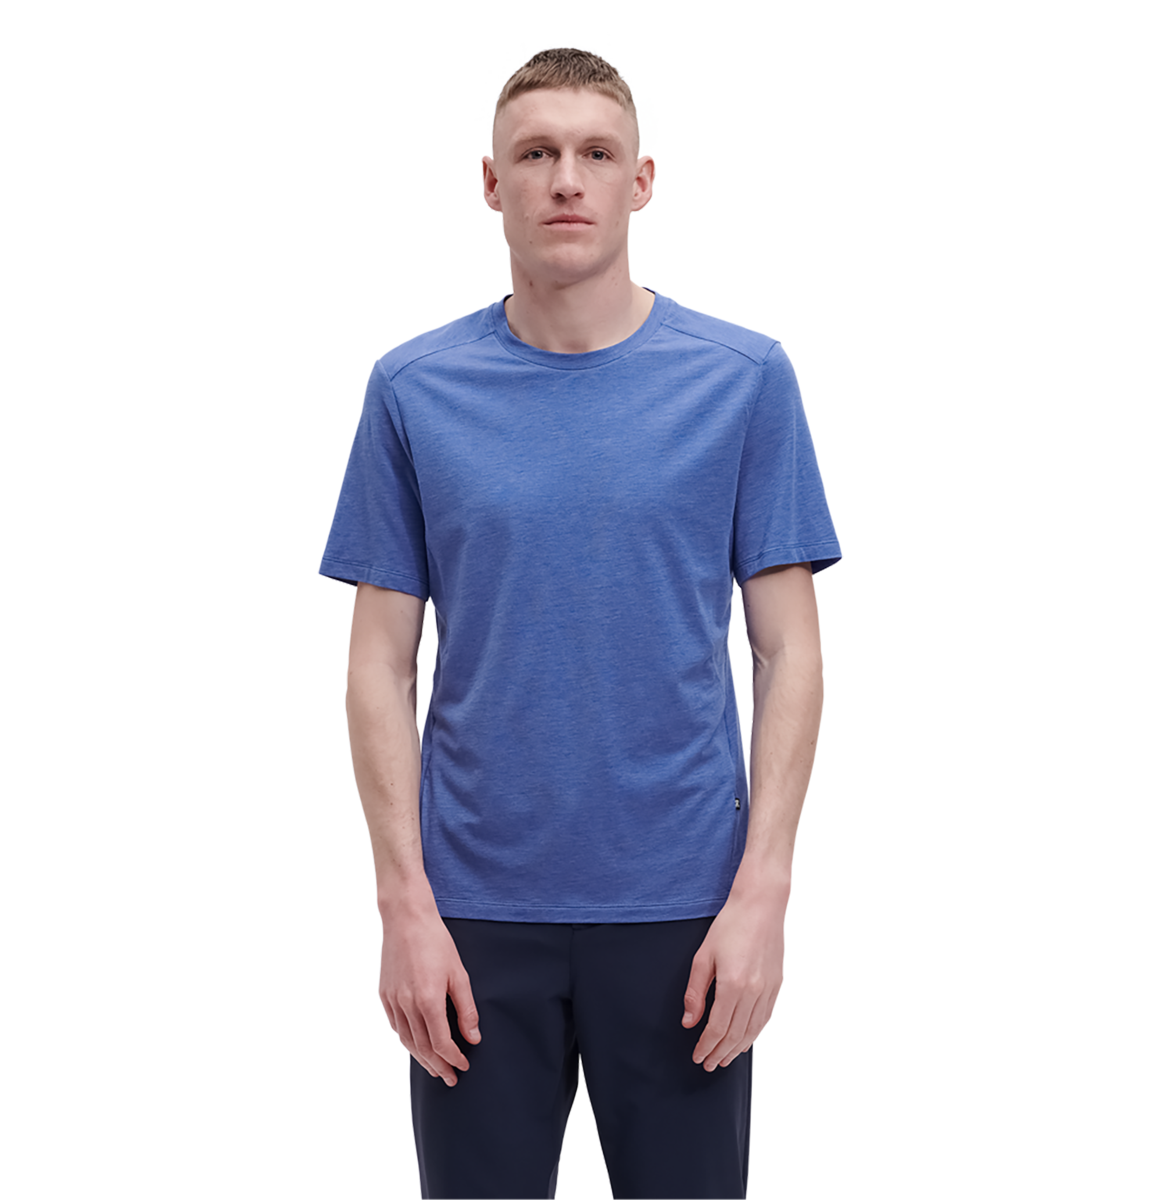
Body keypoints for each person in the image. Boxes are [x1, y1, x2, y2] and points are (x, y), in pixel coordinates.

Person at [319, 45, 842, 1200]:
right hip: (471, 919)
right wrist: (403, 906)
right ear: (490, 183)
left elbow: (790, 648)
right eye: (536, 153)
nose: (566, 179)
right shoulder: (413, 392)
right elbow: (376, 665)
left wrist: (763, 892)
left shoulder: (743, 381)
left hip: (684, 912)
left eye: (597, 153)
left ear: (640, 183)